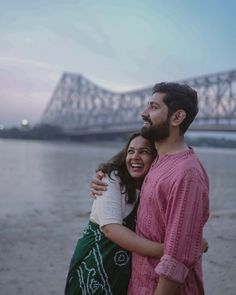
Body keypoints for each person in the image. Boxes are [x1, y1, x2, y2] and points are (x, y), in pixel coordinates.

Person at [91, 82, 210, 295]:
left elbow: (176, 260)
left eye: (153, 107)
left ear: (177, 117)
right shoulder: (159, 162)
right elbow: (130, 172)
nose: (144, 113)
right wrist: (104, 176)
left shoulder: (187, 174)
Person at [65, 133, 166, 295]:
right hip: (96, 264)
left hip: (123, 272)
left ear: (155, 157)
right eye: (131, 151)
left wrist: (191, 239)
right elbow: (110, 229)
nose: (135, 157)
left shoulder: (152, 187)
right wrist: (168, 251)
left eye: (144, 152)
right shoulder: (112, 179)